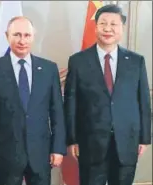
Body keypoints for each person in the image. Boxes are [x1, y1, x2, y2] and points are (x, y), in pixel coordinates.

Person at [64, 4, 151, 185]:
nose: (108, 28)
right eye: (103, 23)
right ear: (95, 27)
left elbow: (143, 101)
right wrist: (71, 139)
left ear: (122, 28)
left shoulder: (136, 61)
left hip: (127, 140)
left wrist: (144, 138)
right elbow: (71, 103)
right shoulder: (78, 61)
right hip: (89, 142)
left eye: (113, 24)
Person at [0, 16, 67, 185]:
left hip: (40, 154)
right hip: (5, 154)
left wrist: (58, 148)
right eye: (17, 35)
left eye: (27, 35)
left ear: (33, 36)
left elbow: (57, 113)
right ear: (7, 36)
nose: (22, 40)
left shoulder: (48, 69)